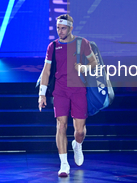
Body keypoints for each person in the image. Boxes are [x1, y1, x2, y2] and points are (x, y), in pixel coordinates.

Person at [38, 14, 97, 177]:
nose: (60, 31)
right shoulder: (52, 46)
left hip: (78, 89)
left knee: (79, 131)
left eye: (63, 28)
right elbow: (46, 70)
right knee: (61, 126)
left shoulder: (82, 43)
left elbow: (94, 63)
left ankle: (77, 145)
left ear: (71, 28)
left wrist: (84, 68)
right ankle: (64, 164)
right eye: (58, 28)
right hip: (60, 90)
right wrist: (42, 94)